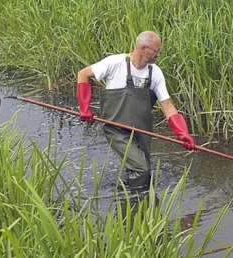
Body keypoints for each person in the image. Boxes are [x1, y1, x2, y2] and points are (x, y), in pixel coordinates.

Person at [76, 31, 195, 191]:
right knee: (141, 169)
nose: (159, 55)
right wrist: (85, 108)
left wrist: (183, 134)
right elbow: (83, 74)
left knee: (145, 172)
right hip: (116, 129)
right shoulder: (115, 63)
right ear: (143, 48)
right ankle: (134, 203)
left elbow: (167, 105)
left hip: (142, 130)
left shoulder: (155, 73)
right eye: (156, 51)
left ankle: (135, 199)